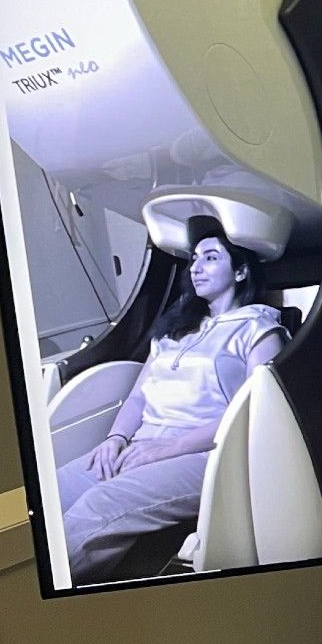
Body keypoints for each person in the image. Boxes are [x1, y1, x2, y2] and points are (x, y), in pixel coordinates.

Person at [56, 230, 287, 581]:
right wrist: (116, 438)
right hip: (141, 443)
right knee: (51, 493)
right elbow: (138, 397)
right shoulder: (175, 331)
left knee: (95, 511)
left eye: (211, 257)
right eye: (194, 259)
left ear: (240, 272)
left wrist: (168, 448)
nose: (196, 267)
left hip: (207, 454)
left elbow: (255, 411)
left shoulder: (259, 328)